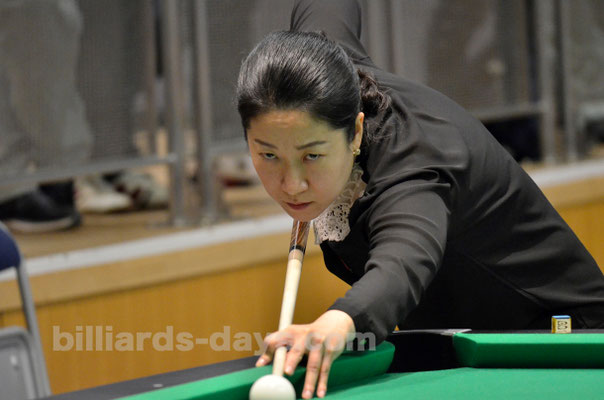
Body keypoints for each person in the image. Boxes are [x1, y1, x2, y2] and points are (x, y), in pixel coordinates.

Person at [236, 1, 604, 398]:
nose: (292, 184)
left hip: (557, 343)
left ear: (355, 132)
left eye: (311, 155)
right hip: (457, 344)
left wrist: (341, 320)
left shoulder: (414, 167)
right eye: (268, 154)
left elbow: (402, 263)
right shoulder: (320, 66)